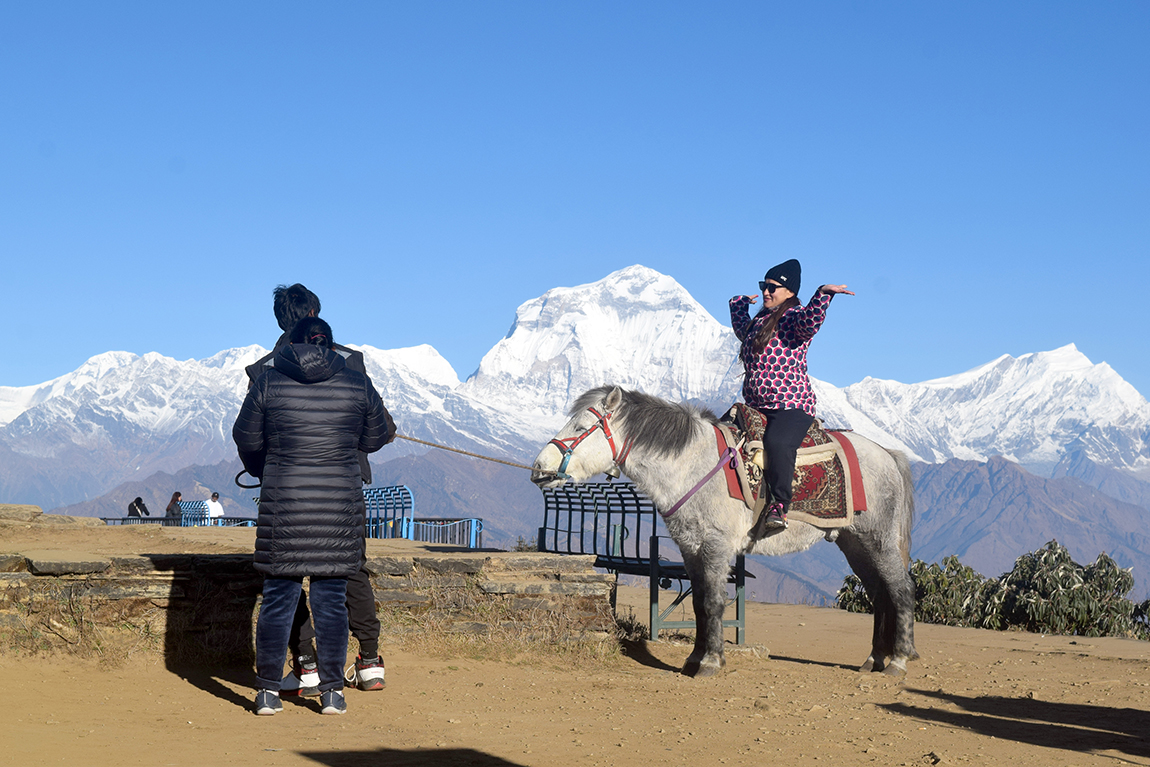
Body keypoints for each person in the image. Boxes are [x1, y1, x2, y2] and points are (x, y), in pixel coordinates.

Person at [234, 317, 394, 716]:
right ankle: (332, 693)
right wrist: (346, 445)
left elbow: (245, 437)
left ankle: (267, 692)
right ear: (330, 345)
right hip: (338, 507)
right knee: (331, 603)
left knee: (277, 601)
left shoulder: (269, 381)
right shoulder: (356, 382)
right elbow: (379, 434)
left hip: (284, 506)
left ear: (291, 344)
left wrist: (270, 461)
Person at [729, 259, 854, 539]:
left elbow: (810, 323)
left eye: (773, 287)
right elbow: (742, 331)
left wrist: (823, 294)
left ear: (790, 292)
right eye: (764, 286)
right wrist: (738, 304)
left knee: (778, 443)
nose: (766, 291)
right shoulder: (760, 321)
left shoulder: (793, 318)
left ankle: (779, 506)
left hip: (790, 406)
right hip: (756, 405)